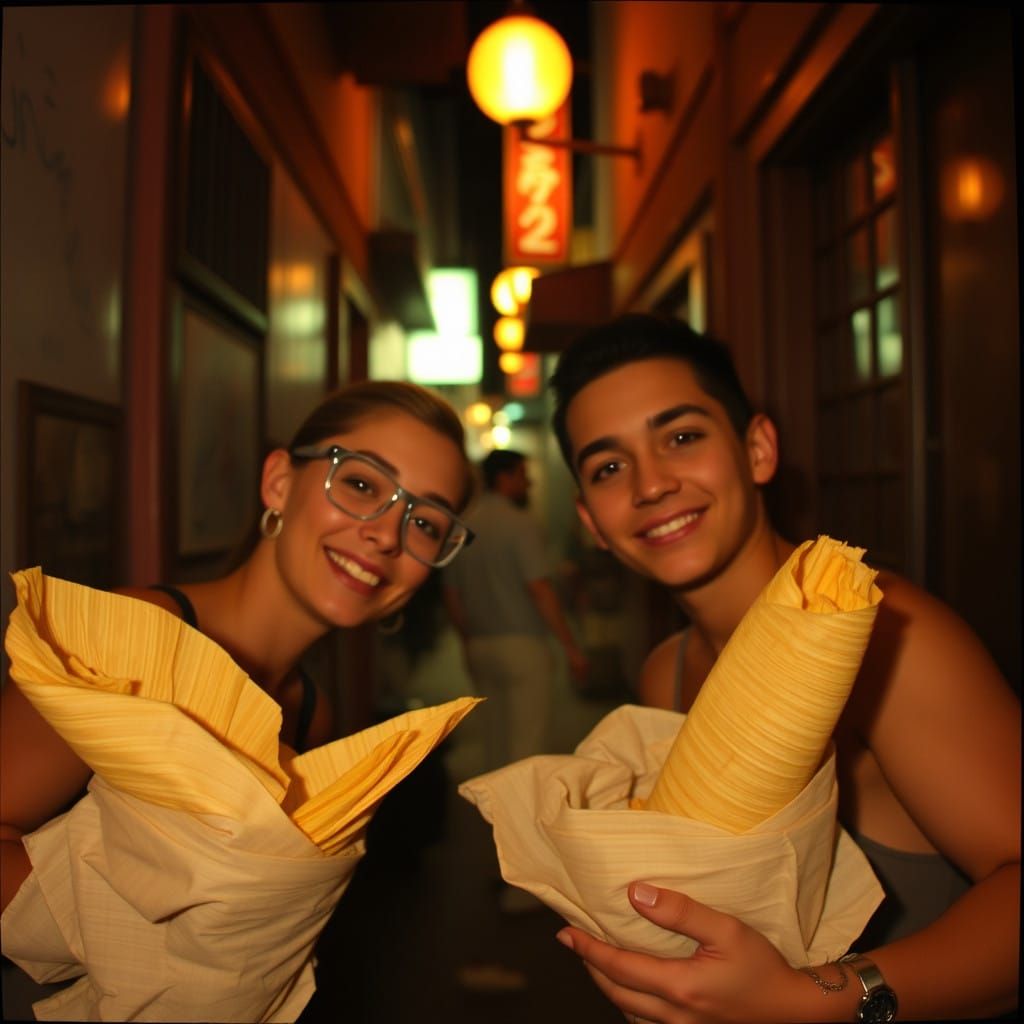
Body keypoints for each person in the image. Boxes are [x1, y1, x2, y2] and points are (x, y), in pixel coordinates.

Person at [545, 313, 1020, 1022]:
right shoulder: (665, 673)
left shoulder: (880, 633)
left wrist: (811, 999)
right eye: (609, 468)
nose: (651, 485)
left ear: (758, 449)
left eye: (682, 437)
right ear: (592, 524)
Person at [0, 379, 476, 917]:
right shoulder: (124, 638)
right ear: (279, 482)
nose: (388, 535)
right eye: (362, 485)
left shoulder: (309, 714)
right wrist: (142, 925)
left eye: (425, 523)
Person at [442, 448, 588, 775]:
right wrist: (570, 647)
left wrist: (467, 642)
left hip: (480, 644)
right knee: (527, 745)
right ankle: (518, 808)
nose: (529, 483)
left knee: (494, 740)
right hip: (523, 645)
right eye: (522, 474)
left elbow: (451, 594)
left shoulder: (462, 527)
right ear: (504, 478)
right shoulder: (521, 524)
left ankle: (492, 805)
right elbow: (539, 588)